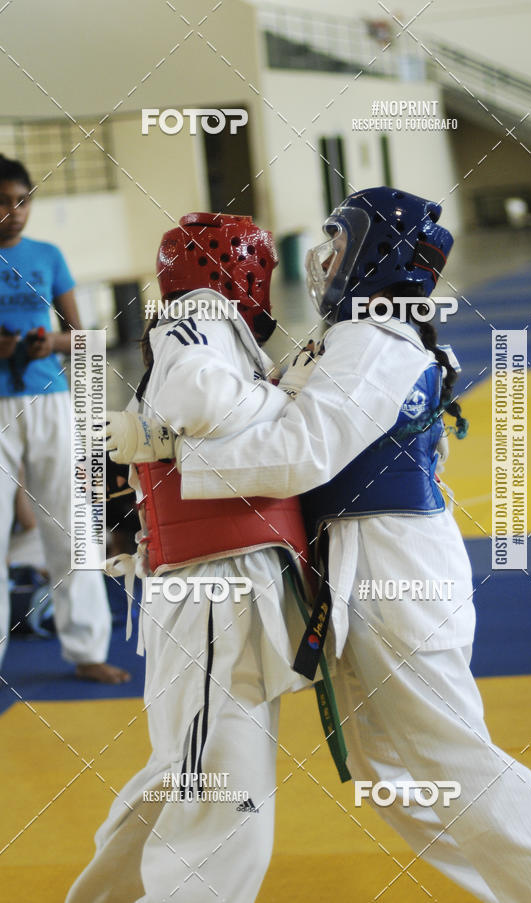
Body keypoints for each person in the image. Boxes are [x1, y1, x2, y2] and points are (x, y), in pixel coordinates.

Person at [157, 188, 531, 902]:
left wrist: (174, 462)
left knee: (452, 761)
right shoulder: (355, 334)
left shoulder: (378, 337)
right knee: (397, 779)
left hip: (395, 571)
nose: (324, 262)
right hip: (364, 567)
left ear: (375, 253)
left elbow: (303, 450)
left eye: (338, 245)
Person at [67, 212, 339, 903]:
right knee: (224, 812)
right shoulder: (197, 318)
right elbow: (202, 399)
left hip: (218, 591)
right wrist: (285, 397)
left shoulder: (209, 328)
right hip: (215, 593)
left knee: (185, 779)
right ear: (236, 268)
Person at [0, 154, 129, 683]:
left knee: (71, 523)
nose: (14, 211)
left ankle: (87, 647)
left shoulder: (48, 256)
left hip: (49, 400)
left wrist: (45, 342)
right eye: (3, 201)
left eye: (21, 200)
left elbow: (84, 339)